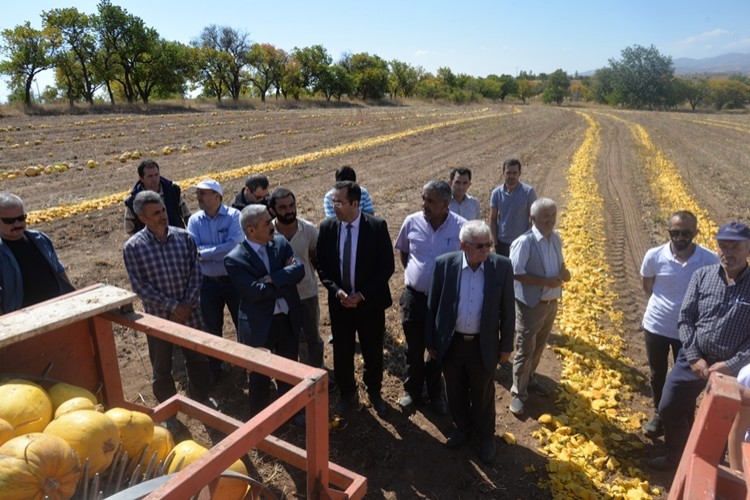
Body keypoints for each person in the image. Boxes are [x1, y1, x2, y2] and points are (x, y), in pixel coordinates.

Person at [649, 222, 750, 471]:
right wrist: (694, 357)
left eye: (735, 246)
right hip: (693, 359)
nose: (728, 252)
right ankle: (678, 456)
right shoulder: (702, 276)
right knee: (669, 407)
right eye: (723, 246)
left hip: (734, 370)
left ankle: (710, 467)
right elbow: (685, 318)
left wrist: (730, 365)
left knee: (722, 423)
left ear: (748, 248)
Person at [426, 220, 515, 464]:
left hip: (482, 344)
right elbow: (433, 306)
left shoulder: (502, 267)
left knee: (483, 393)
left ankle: (486, 437)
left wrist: (506, 344)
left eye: (489, 244)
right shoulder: (445, 265)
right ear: (463, 245)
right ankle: (462, 427)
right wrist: (431, 340)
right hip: (452, 343)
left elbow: (508, 308)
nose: (486, 250)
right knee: (454, 390)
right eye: (480, 246)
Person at [122, 191, 210, 431]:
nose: (162, 216)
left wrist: (186, 305)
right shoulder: (133, 247)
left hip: (191, 314)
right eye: (155, 214)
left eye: (162, 210)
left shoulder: (185, 238)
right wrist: (174, 307)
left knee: (197, 359)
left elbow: (196, 273)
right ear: (142, 218)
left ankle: (201, 401)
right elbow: (140, 287)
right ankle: (169, 411)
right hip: (159, 319)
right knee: (162, 367)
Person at [317, 181, 394, 418]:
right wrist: (336, 290)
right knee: (342, 351)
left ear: (355, 203)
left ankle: (374, 391)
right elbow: (322, 267)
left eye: (339, 202)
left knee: (372, 351)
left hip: (369, 304)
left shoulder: (376, 226)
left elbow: (386, 267)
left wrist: (361, 295)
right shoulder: (328, 227)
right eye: (333, 202)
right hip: (340, 304)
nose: (335, 207)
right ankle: (347, 393)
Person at [639, 211, 718, 438]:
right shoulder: (654, 256)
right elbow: (648, 286)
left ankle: (684, 416)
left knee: (686, 378)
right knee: (658, 374)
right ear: (669, 232)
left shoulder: (709, 259)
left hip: (691, 331)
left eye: (686, 233)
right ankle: (659, 415)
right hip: (657, 326)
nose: (680, 237)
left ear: (696, 232)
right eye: (675, 232)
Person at [224, 204, 305, 420]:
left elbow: (299, 270)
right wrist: (283, 279)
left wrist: (271, 278)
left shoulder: (279, 243)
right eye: (267, 223)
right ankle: (261, 421)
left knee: (289, 367)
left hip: (287, 317)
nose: (272, 225)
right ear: (251, 230)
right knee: (259, 375)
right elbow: (254, 293)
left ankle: (292, 412)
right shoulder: (235, 258)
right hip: (260, 325)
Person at [394, 180, 465, 414]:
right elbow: (404, 253)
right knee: (413, 349)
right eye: (423, 199)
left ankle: (436, 394)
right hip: (414, 297)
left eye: (430, 201)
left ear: (446, 204)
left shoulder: (461, 228)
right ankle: (411, 391)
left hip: (444, 301)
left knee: (438, 350)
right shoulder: (411, 222)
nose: (424, 204)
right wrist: (418, 276)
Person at [508, 198, 571, 416]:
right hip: (531, 304)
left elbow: (560, 264)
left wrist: (564, 273)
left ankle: (530, 378)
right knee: (525, 348)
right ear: (533, 219)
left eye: (553, 216)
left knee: (539, 345)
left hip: (551, 302)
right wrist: (545, 282)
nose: (551, 221)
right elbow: (514, 272)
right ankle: (518, 393)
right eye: (546, 217)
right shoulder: (524, 242)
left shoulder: (555, 239)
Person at [186, 179, 243, 385]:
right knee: (211, 325)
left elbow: (234, 246)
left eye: (203, 193)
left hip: (233, 280)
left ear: (217, 196)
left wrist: (205, 252)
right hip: (207, 283)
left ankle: (247, 361)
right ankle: (215, 366)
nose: (198, 197)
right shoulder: (194, 220)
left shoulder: (234, 216)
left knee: (242, 322)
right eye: (198, 193)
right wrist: (217, 251)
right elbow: (193, 250)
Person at [269, 187, 324, 369]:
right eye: (283, 207)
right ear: (273, 210)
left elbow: (315, 258)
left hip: (307, 293)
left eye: (292, 205)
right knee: (286, 339)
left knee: (312, 337)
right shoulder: (268, 234)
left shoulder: (308, 229)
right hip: (280, 297)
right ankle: (293, 375)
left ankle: (317, 373)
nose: (289, 210)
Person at [0, 193, 75, 314]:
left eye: (21, 218)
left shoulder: (40, 238)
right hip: (23, 320)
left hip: (58, 309)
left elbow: (59, 271)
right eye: (9, 221)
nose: (17, 224)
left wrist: (73, 298)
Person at [124, 159, 190, 235]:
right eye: (150, 176)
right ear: (141, 178)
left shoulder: (172, 191)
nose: (154, 179)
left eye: (156, 175)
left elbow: (187, 215)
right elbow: (129, 229)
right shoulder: (133, 201)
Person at [489, 158, 537, 257]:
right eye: (508, 172)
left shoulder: (528, 192)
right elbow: (493, 218)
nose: (511, 176)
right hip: (502, 242)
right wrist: (495, 242)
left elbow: (534, 218)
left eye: (514, 173)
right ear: (503, 173)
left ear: (520, 174)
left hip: (522, 241)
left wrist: (529, 238)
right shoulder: (496, 193)